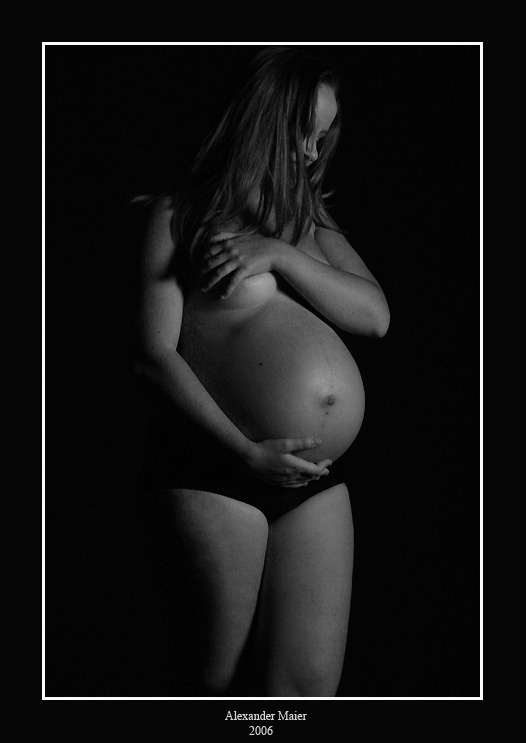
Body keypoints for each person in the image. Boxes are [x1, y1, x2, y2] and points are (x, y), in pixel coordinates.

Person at [134, 46, 390, 697]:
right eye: (303, 130)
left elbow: (375, 316)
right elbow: (152, 357)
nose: (311, 150)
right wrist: (245, 454)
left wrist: (279, 252)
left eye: (322, 135)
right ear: (266, 119)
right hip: (217, 471)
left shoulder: (311, 225)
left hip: (314, 483)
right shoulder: (179, 215)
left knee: (303, 697)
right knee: (208, 688)